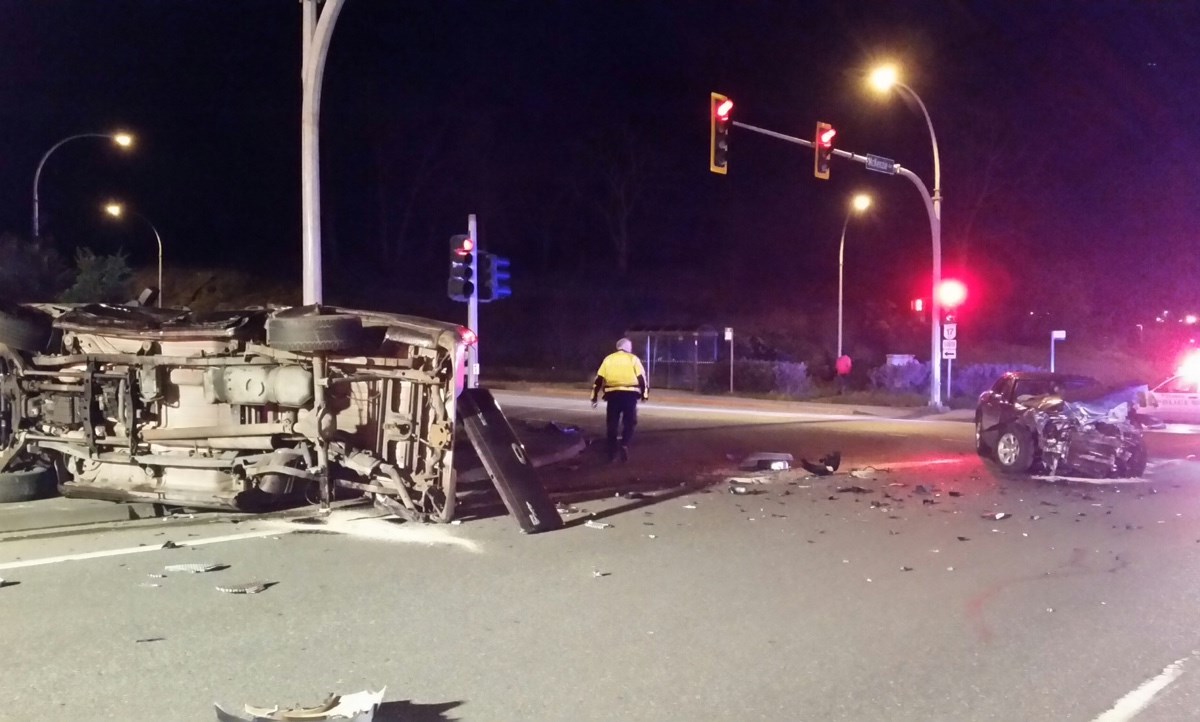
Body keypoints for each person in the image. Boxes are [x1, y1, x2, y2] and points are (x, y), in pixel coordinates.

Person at [591, 337, 648, 462]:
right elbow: (642, 378)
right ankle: (624, 443)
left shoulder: (608, 359)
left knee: (612, 424)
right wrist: (644, 394)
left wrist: (594, 397)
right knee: (630, 422)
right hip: (629, 395)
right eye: (630, 347)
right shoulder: (633, 359)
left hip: (612, 395)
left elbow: (598, 379)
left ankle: (611, 452)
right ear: (627, 347)